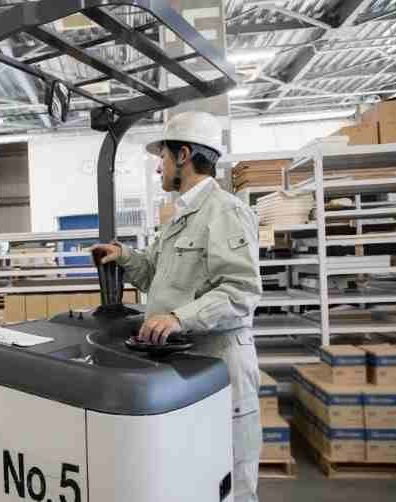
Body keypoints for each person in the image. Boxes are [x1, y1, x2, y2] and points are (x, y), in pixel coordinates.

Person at [91, 111, 262, 502]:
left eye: (163, 157)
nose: (159, 168)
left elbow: (241, 291)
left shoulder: (226, 212)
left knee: (230, 483)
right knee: (197, 478)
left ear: (183, 155)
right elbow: (156, 276)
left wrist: (176, 318)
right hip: (188, 362)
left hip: (221, 363)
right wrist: (123, 256)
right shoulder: (179, 218)